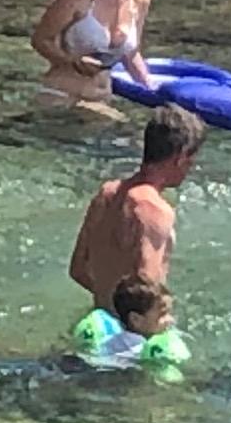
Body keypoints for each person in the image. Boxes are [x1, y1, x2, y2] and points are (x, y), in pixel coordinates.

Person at [69, 103, 202, 308]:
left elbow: (77, 270)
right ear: (180, 158)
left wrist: (108, 304)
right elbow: (145, 290)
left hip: (102, 322)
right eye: (191, 162)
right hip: (135, 334)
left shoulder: (107, 194)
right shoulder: (154, 210)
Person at [67, 275, 191, 379]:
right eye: (163, 314)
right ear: (135, 319)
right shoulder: (138, 350)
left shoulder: (113, 338)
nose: (171, 320)